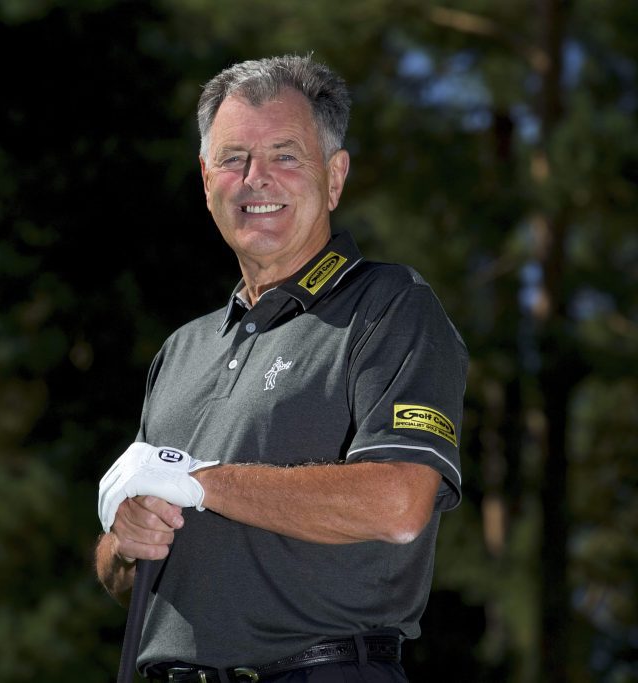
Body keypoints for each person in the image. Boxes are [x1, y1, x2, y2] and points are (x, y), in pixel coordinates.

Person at [94, 53, 468, 683]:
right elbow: (127, 575)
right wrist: (122, 542)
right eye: (233, 158)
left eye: (285, 156)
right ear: (206, 179)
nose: (256, 179)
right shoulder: (182, 350)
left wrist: (201, 481)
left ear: (334, 176)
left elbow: (400, 503)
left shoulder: (389, 306)